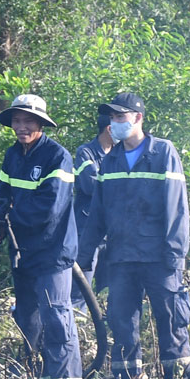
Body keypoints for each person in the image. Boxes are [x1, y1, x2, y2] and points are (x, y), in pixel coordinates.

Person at [77, 92, 190, 379]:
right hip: (121, 259)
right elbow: (97, 215)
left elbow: (176, 209)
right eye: (113, 118)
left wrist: (175, 256)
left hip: (159, 258)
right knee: (122, 326)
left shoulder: (163, 152)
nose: (115, 123)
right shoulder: (110, 161)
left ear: (138, 118)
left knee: (171, 323)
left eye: (121, 116)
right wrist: (81, 258)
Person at [0, 93, 82, 379]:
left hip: (52, 253)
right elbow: (3, 194)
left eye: (27, 121)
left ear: (41, 124)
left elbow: (48, 209)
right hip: (23, 253)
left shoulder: (58, 157)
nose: (21, 126)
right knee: (27, 319)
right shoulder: (12, 155)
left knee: (56, 319)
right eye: (17, 121)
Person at [71, 105, 114, 306]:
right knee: (81, 290)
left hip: (112, 232)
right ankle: (76, 331)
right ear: (109, 128)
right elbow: (91, 186)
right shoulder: (85, 152)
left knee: (110, 288)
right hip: (86, 231)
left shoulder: (119, 155)